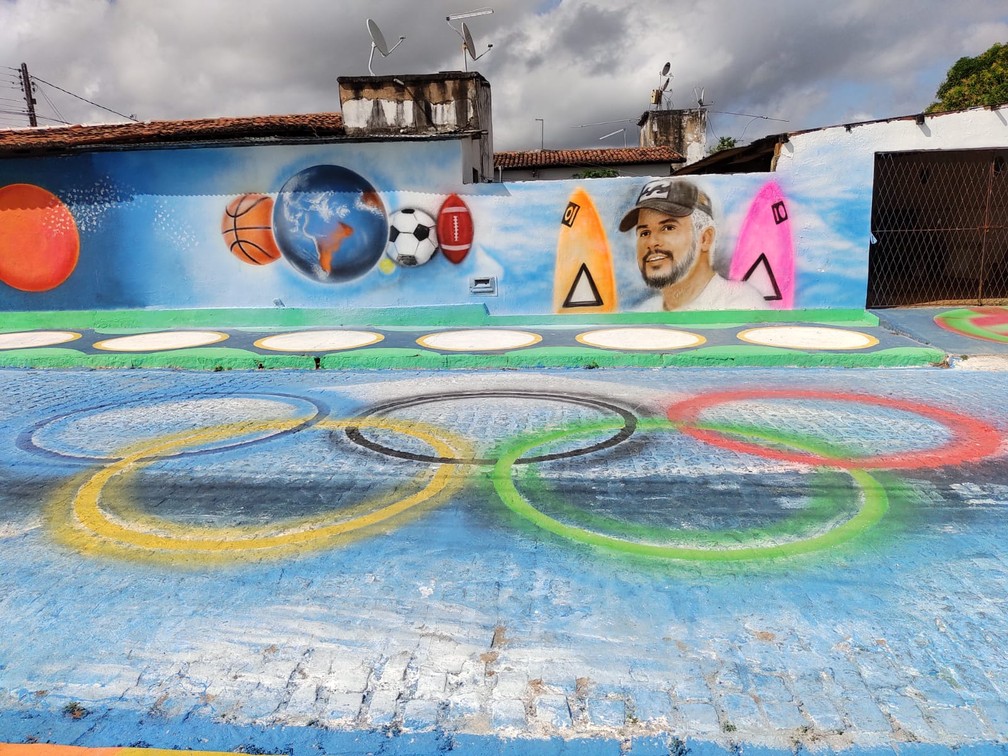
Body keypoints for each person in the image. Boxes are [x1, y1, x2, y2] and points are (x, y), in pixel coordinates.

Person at [619, 178, 768, 311]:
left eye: (668, 228)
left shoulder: (740, 304)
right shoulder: (647, 310)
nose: (651, 242)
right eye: (644, 233)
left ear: (705, 238)